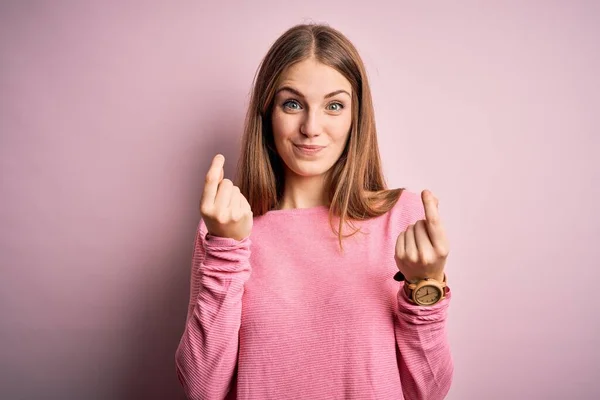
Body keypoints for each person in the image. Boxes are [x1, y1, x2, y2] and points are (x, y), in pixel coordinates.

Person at [175, 23, 453, 400]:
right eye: (292, 104)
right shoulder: (228, 229)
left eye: (334, 106)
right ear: (268, 112)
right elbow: (201, 388)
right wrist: (225, 249)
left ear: (356, 117)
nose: (311, 127)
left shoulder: (398, 218)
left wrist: (427, 286)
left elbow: (428, 392)